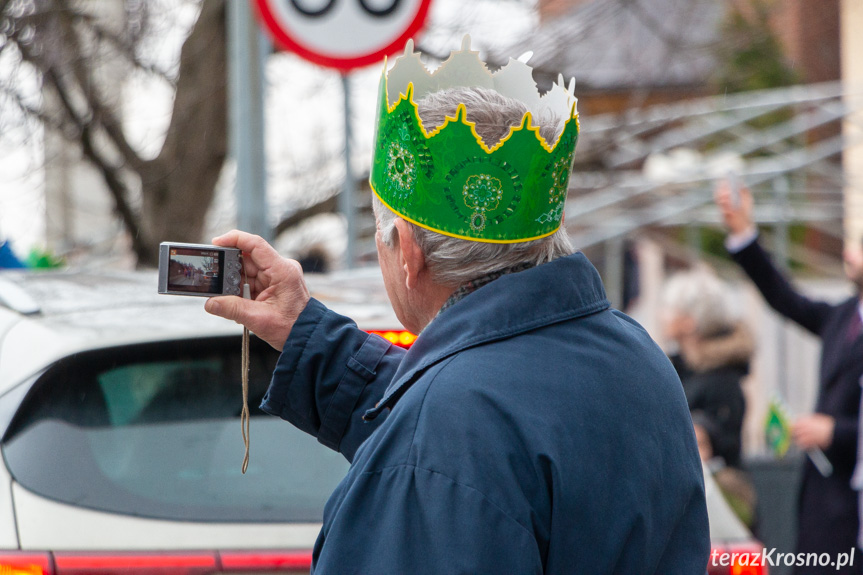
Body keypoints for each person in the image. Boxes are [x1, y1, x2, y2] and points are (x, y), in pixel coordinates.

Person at [206, 40, 709, 574]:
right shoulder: (636, 357)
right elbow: (499, 419)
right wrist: (310, 335)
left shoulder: (440, 439)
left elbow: (459, 437)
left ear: (409, 253)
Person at [716, 180, 863, 574]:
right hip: (825, 503)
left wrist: (839, 431)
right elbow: (786, 298)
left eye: (859, 248)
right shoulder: (845, 316)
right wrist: (744, 233)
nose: (849, 255)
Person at [662, 268, 753, 468]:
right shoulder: (680, 368)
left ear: (689, 322)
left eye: (670, 308)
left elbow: (724, 444)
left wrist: (704, 432)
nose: (664, 315)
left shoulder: (722, 378)